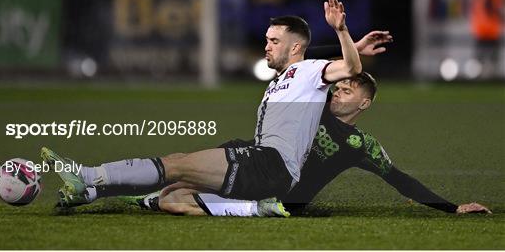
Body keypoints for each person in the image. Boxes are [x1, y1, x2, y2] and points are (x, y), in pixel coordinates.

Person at [43, 0, 363, 206]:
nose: (266, 46)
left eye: (274, 41)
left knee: (177, 165)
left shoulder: (309, 72)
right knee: (175, 192)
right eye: (266, 40)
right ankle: (93, 192)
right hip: (263, 160)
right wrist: (356, 45)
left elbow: (349, 68)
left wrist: (343, 31)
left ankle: (87, 176)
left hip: (271, 165)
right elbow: (310, 59)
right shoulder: (291, 73)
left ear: (294, 48)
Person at [129, 73, 492, 217]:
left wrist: (452, 207)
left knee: (173, 198)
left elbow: (400, 180)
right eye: (339, 86)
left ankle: (254, 210)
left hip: (281, 195)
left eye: (348, 90)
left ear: (364, 104)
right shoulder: (311, 107)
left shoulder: (360, 144)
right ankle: (138, 194)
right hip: (254, 168)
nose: (338, 90)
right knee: (177, 170)